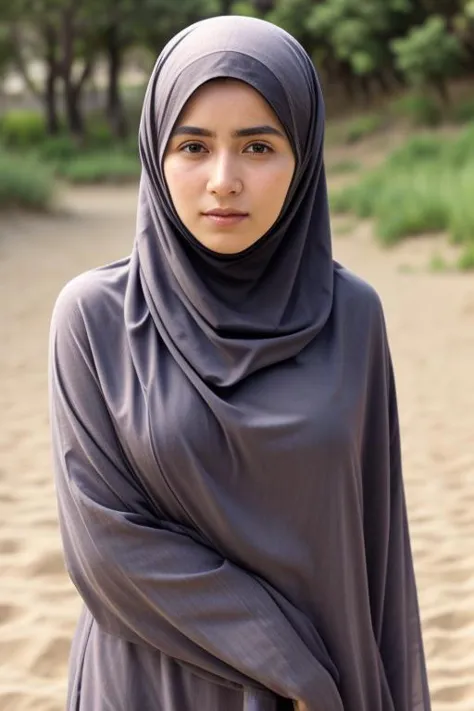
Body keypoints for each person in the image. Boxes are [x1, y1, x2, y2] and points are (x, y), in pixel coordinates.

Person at [48, 14, 432, 711]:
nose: (224, 181)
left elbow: (377, 546)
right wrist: (290, 666)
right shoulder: (95, 318)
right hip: (157, 682)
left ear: (305, 155)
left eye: (259, 146)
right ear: (156, 155)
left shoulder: (353, 317)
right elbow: (105, 545)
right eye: (193, 146)